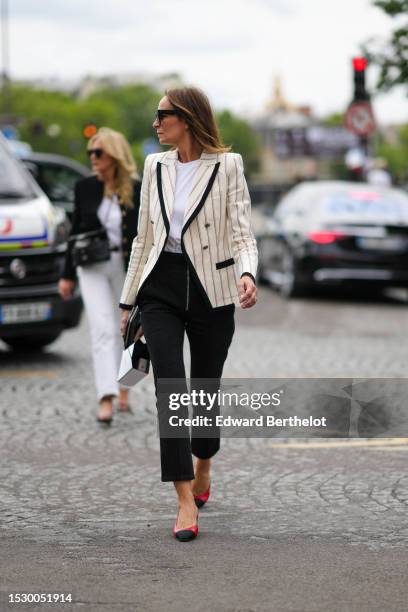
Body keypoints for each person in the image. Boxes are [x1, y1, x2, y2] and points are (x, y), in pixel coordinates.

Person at [119, 87, 258, 541]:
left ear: (188, 118)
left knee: (204, 389)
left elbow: (242, 233)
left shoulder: (227, 165)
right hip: (160, 286)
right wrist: (127, 301)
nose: (156, 123)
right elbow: (143, 238)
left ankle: (204, 463)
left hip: (211, 289)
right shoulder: (154, 166)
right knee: (170, 390)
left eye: (163, 115)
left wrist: (248, 274)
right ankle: (183, 500)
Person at [59, 127, 141, 424]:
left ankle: (126, 388)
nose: (92, 158)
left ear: (115, 155)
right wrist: (67, 275)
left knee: (130, 330)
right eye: (90, 153)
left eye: (98, 152)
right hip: (91, 266)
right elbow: (75, 232)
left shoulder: (136, 187)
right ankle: (105, 396)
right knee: (102, 328)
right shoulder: (85, 187)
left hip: (127, 267)